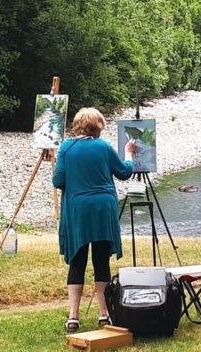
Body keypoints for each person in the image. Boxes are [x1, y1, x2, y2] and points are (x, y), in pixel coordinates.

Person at [53, 107, 136, 332]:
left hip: (78, 209)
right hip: (103, 208)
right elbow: (125, 172)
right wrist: (129, 154)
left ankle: (73, 316)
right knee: (101, 261)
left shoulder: (66, 148)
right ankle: (104, 313)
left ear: (77, 125)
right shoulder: (104, 147)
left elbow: (58, 181)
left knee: (78, 260)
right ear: (98, 126)